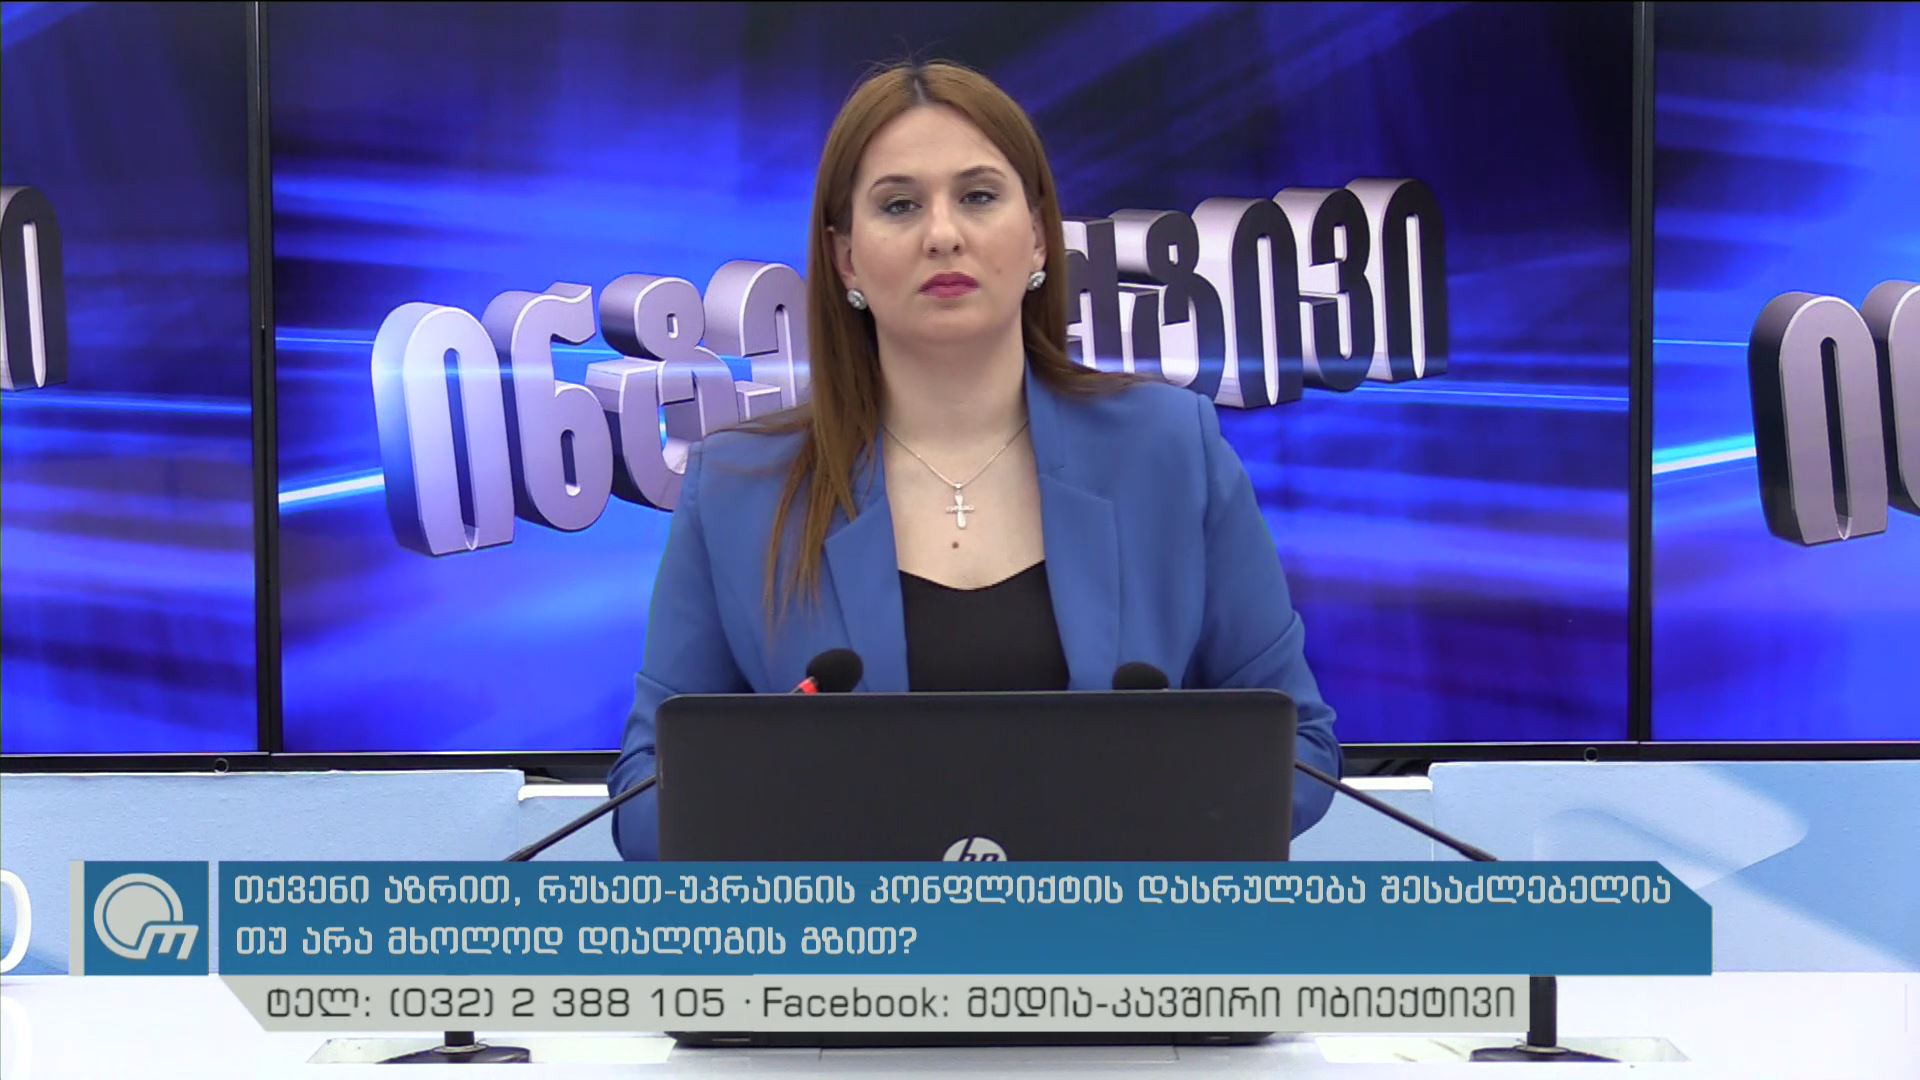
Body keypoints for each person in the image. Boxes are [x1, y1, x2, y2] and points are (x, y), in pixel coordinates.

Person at [609, 59, 1338, 861]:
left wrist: (1142, 832)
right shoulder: (740, 487)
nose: (943, 233)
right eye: (899, 205)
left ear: (1038, 237)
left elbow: (1300, 749)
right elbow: (645, 797)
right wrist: (804, 827)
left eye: (979, 196)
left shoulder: (1170, 450)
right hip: (852, 939)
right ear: (846, 259)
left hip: (1115, 932)